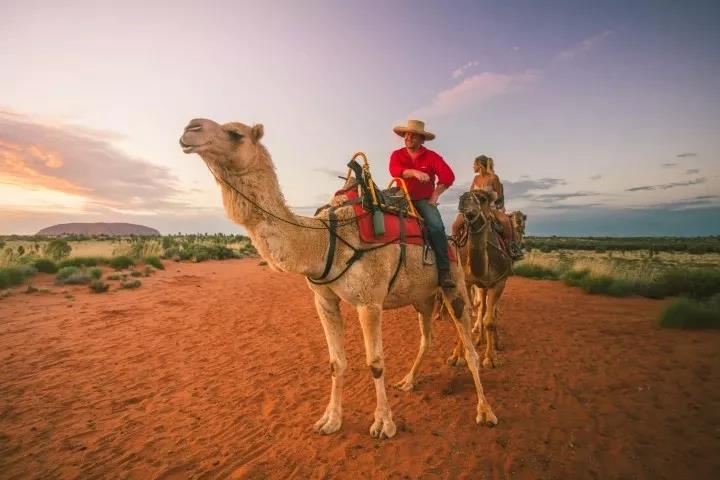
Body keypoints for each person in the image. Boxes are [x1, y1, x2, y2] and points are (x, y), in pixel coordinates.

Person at [389, 119, 456, 288]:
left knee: (436, 227)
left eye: (413, 136)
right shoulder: (397, 154)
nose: (408, 138)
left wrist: (434, 196)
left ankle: (444, 270)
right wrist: (413, 172)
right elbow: (394, 170)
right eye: (406, 135)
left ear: (421, 139)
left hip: (423, 200)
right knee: (379, 216)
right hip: (400, 197)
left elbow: (448, 176)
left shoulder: (432, 157)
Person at [451, 155, 523, 260]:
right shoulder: (475, 178)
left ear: (479, 165)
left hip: (491, 208)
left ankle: (511, 247)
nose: (473, 167)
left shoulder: (494, 178)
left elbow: (500, 195)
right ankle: (454, 246)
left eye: (474, 164)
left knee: (505, 221)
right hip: (475, 209)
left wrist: (499, 208)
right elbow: (471, 195)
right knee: (456, 225)